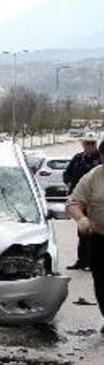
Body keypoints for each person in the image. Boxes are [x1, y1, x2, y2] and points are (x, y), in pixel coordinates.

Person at [67, 160, 104, 331]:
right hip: (99, 237)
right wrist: (81, 219)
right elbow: (74, 203)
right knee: (102, 282)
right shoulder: (94, 176)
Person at [63, 135, 100, 270]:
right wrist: (68, 182)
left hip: (95, 202)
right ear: (83, 144)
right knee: (82, 230)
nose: (89, 146)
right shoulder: (78, 158)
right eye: (87, 143)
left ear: (95, 144)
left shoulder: (99, 159)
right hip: (79, 200)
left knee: (93, 232)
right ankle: (82, 261)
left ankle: (92, 262)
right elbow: (67, 173)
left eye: (91, 143)